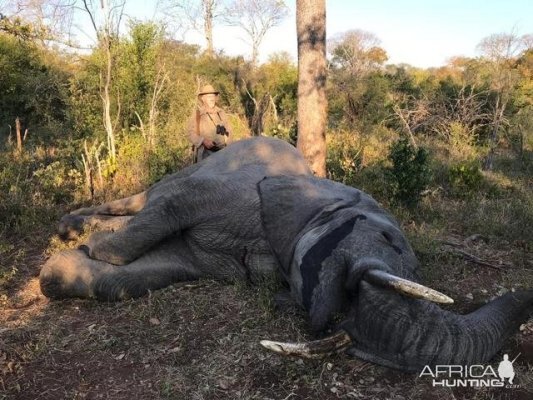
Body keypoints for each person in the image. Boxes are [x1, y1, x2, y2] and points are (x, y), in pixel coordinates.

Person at [187, 84, 232, 162]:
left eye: (213, 96)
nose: (212, 99)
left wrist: (229, 149)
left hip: (222, 154)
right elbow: (190, 133)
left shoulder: (221, 113)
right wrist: (203, 141)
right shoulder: (198, 114)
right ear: (203, 99)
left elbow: (229, 132)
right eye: (209, 97)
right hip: (205, 156)